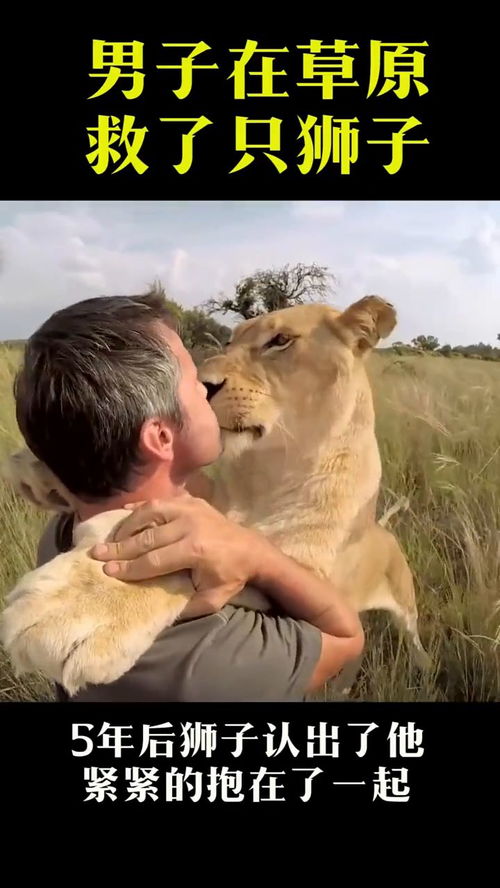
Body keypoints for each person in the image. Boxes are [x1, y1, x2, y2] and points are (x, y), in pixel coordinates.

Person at [15, 289, 364, 702]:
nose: (208, 381)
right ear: (161, 437)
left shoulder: (62, 530)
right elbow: (345, 639)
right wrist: (258, 557)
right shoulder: (205, 655)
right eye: (192, 381)